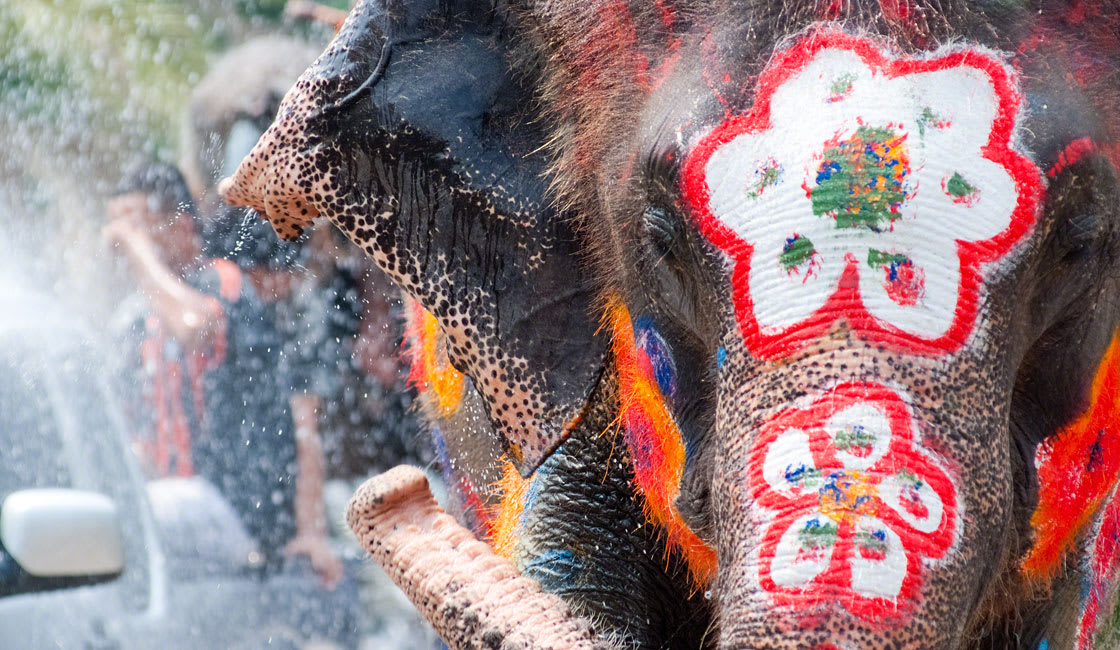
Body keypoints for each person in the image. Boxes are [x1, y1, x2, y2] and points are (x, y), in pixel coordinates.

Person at [104, 161, 342, 587]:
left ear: (182, 225)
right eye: (117, 230)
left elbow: (196, 328)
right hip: (180, 511)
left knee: (133, 519)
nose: (119, 243)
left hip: (238, 512)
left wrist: (310, 533)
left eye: (137, 226)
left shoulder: (221, 282)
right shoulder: (136, 318)